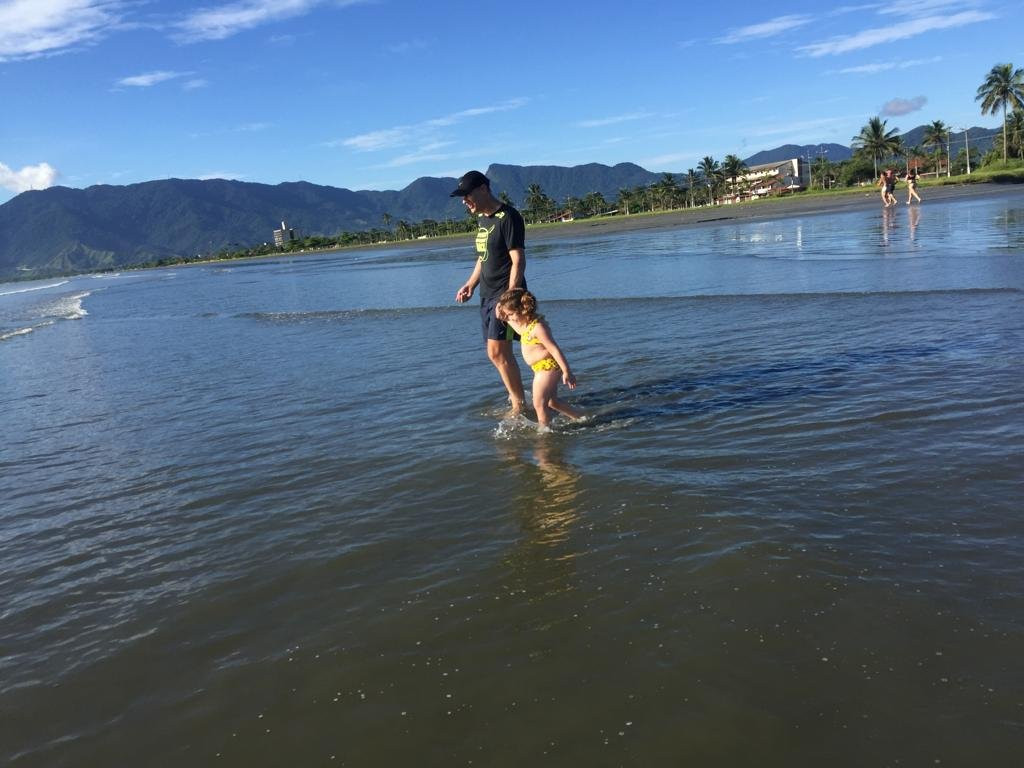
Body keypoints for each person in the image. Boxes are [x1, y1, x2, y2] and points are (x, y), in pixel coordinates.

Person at [452, 170, 528, 414]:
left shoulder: (508, 217)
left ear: (483, 189)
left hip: (503, 294)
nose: (465, 201)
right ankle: (518, 396)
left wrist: (509, 297)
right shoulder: (484, 220)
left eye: (467, 195)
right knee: (496, 354)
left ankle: (519, 404)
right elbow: (482, 258)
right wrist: (470, 284)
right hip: (486, 294)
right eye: (462, 197)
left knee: (498, 351)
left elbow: (518, 260)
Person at [495, 288, 584, 430]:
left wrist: (567, 371)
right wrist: (504, 318)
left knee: (539, 403)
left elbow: (554, 348)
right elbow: (520, 330)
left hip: (547, 367)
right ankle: (581, 418)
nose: (510, 318)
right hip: (540, 368)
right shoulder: (527, 325)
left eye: (511, 314)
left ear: (522, 310)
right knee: (552, 402)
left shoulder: (538, 327)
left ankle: (544, 431)